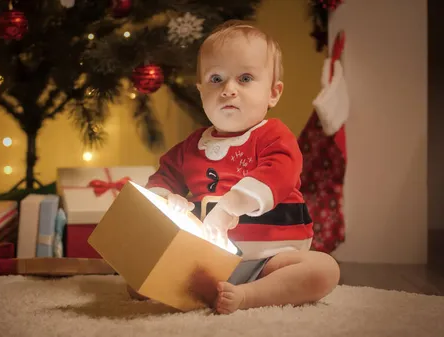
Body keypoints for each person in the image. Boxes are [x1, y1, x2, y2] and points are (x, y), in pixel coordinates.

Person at [134, 20, 340, 314]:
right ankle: (204, 290)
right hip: (205, 261)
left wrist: (230, 206)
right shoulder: (190, 147)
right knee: (137, 277)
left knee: (324, 269)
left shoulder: (273, 136)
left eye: (245, 78)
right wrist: (167, 199)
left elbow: (278, 173)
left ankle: (251, 295)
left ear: (273, 93)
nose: (229, 90)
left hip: (270, 259)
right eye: (216, 79)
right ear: (201, 90)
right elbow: (162, 178)